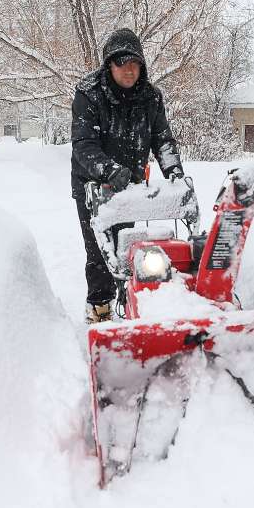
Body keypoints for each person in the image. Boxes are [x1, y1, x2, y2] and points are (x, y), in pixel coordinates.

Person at [71, 28, 185, 324]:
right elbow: (84, 145)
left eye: (134, 63)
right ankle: (100, 307)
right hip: (92, 186)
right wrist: (109, 170)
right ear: (109, 65)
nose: (129, 70)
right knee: (100, 250)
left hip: (130, 186)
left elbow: (162, 139)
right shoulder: (89, 94)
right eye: (121, 63)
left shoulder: (151, 97)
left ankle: (131, 297)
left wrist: (174, 171)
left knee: (128, 244)